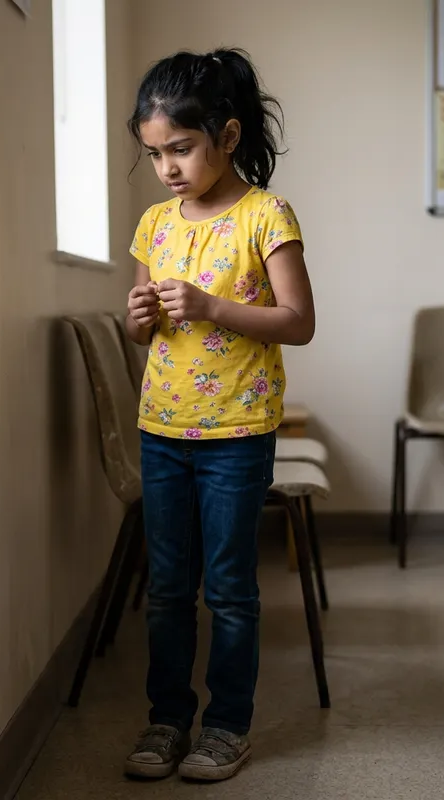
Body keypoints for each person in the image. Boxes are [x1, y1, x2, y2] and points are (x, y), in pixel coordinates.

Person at [123, 47, 315, 783]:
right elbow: (144, 333)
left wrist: (212, 307)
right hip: (162, 428)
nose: (168, 167)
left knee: (230, 587)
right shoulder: (154, 225)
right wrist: (138, 315)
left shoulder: (266, 214)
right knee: (169, 585)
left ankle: (226, 726)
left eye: (181, 148)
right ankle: (166, 718)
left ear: (227, 137)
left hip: (237, 431)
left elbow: (297, 322)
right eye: (155, 153)